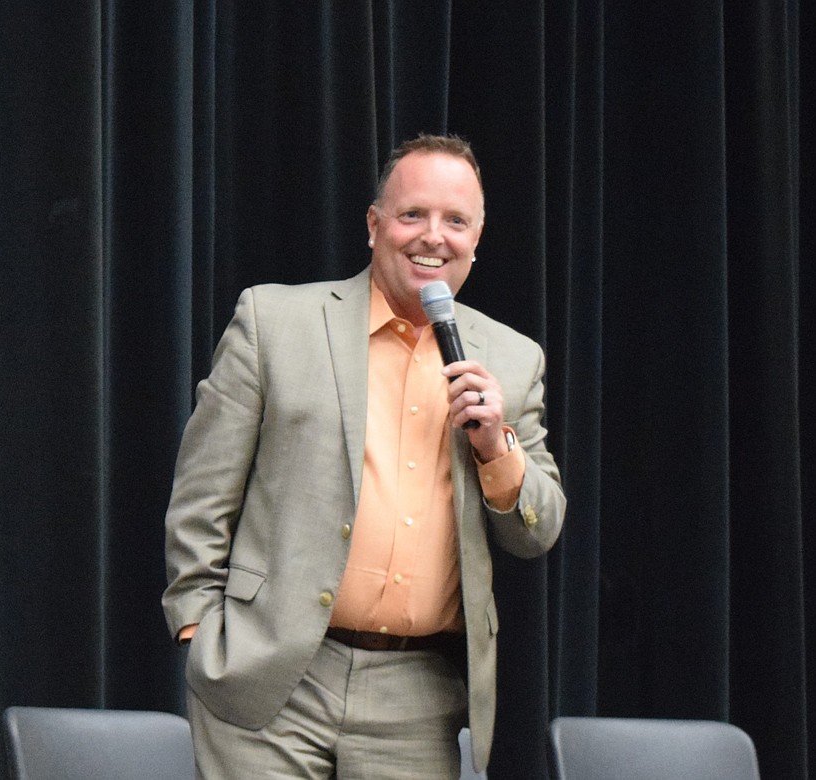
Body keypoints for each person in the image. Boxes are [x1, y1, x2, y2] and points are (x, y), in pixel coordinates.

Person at [162, 133, 566, 779]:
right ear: (375, 226)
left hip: (418, 695)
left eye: (455, 221)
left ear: (477, 239)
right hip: (274, 671)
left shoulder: (512, 360)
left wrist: (499, 446)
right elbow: (201, 495)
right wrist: (199, 626)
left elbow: (539, 530)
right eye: (413, 215)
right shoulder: (275, 320)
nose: (433, 236)